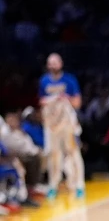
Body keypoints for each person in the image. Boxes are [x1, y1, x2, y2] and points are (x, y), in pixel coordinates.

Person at [39, 53, 85, 199]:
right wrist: (52, 100)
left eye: (55, 62)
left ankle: (78, 186)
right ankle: (53, 185)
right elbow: (41, 102)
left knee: (73, 153)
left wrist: (65, 99)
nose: (53, 65)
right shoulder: (43, 81)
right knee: (54, 155)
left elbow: (77, 103)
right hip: (52, 125)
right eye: (50, 63)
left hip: (68, 124)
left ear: (61, 63)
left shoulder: (70, 80)